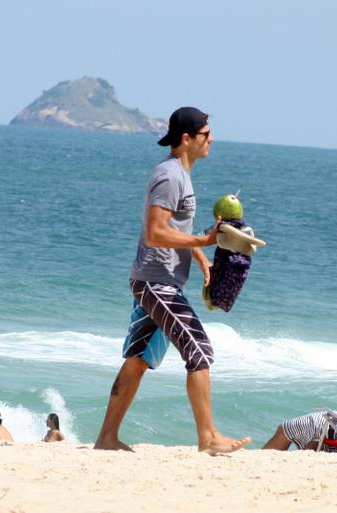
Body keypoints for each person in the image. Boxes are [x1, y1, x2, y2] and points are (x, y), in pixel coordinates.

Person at [94, 107, 250, 455]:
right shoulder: (170, 176)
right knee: (199, 350)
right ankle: (208, 438)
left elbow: (174, 229)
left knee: (138, 358)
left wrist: (199, 257)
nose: (211, 139)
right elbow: (154, 232)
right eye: (206, 134)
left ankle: (106, 439)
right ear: (187, 138)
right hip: (155, 282)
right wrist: (204, 241)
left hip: (158, 280)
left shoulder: (181, 173)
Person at [263, 408, 337, 451]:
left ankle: (263, 465)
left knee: (284, 431)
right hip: (336, 426)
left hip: (334, 426)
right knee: (313, 445)